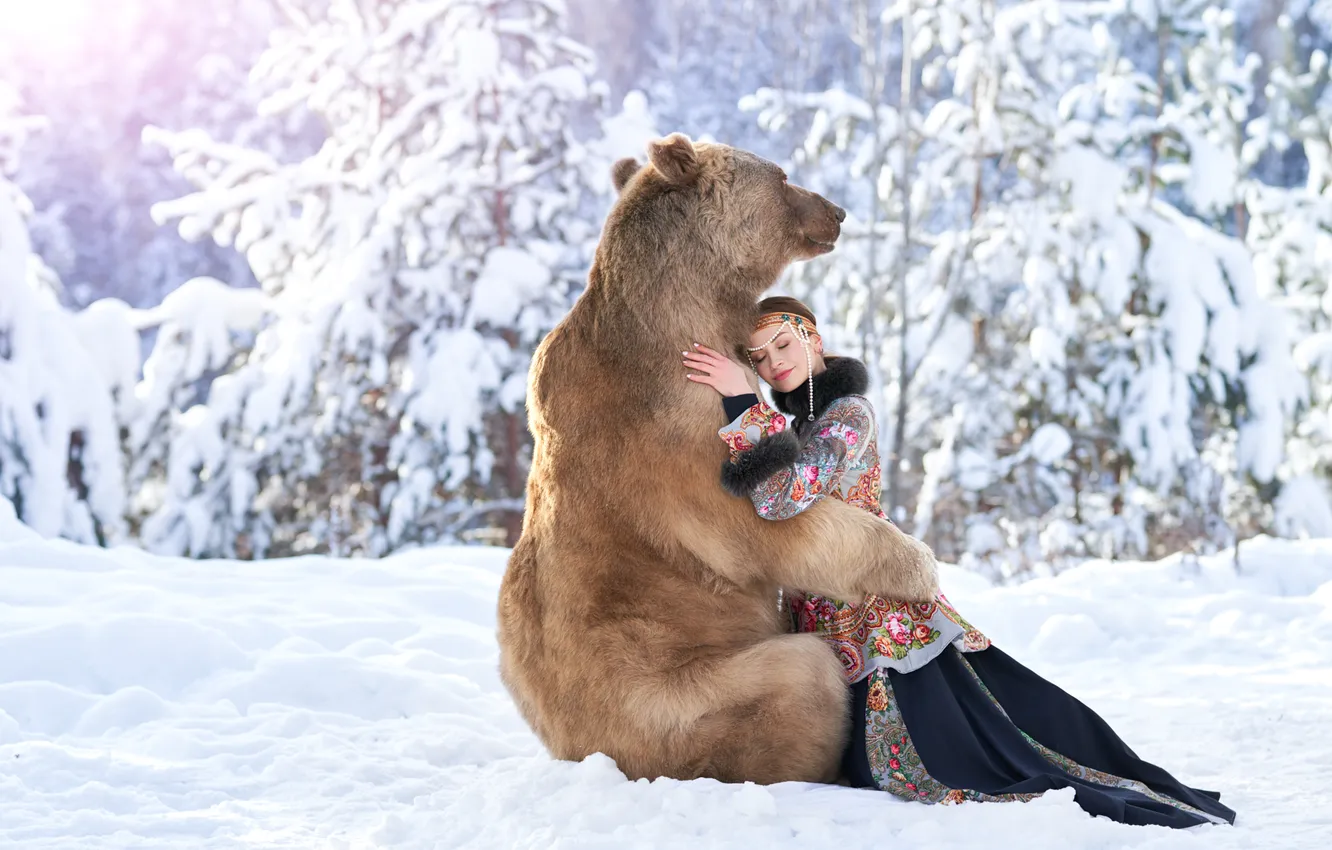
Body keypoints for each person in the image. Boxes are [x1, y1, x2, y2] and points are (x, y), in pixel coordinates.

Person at [680, 295, 1236, 828]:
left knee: (935, 764)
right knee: (851, 766)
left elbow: (782, 496)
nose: (773, 365)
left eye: (781, 347)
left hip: (872, 612)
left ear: (813, 339)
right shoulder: (801, 426)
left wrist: (740, 400)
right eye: (758, 360)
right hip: (820, 616)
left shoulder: (849, 415)